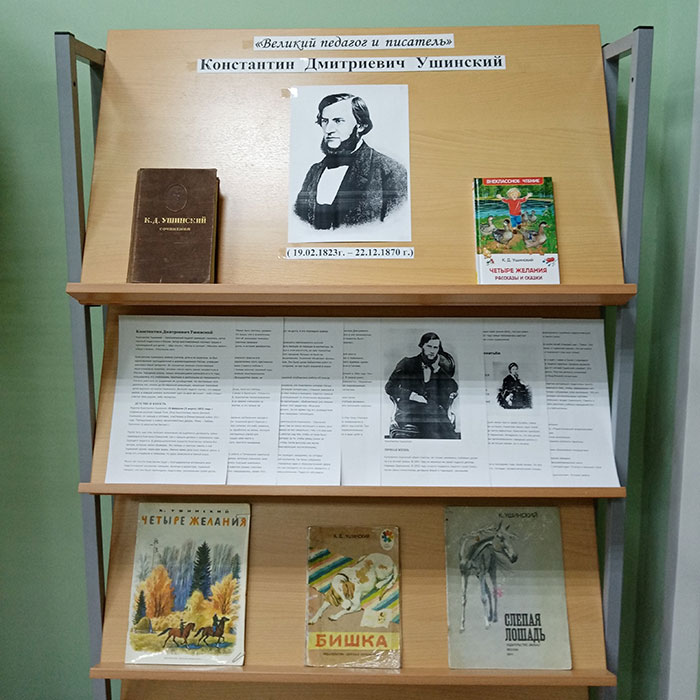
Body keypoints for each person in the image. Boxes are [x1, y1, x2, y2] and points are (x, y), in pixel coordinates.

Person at [294, 93, 408, 230]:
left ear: (361, 125)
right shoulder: (315, 171)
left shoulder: (390, 171)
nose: (328, 130)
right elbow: (298, 222)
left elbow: (394, 228)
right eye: (325, 121)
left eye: (338, 121)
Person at [385, 332, 459, 439]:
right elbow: (389, 387)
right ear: (422, 346)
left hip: (432, 411)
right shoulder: (407, 363)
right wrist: (412, 395)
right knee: (437, 419)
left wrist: (438, 370)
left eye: (435, 347)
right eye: (429, 346)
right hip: (409, 410)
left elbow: (453, 387)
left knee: (434, 423)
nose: (432, 351)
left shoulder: (438, 369)